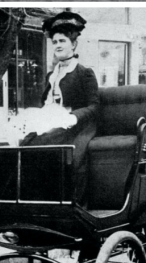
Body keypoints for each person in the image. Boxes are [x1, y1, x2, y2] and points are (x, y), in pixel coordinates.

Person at [21, 12, 100, 204]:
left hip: (77, 127)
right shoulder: (52, 75)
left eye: (62, 41)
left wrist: (74, 117)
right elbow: (46, 104)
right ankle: (34, 204)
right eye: (54, 41)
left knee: (41, 148)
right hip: (53, 124)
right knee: (24, 145)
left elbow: (94, 106)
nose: (57, 45)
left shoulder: (84, 73)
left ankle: (58, 203)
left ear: (73, 44)